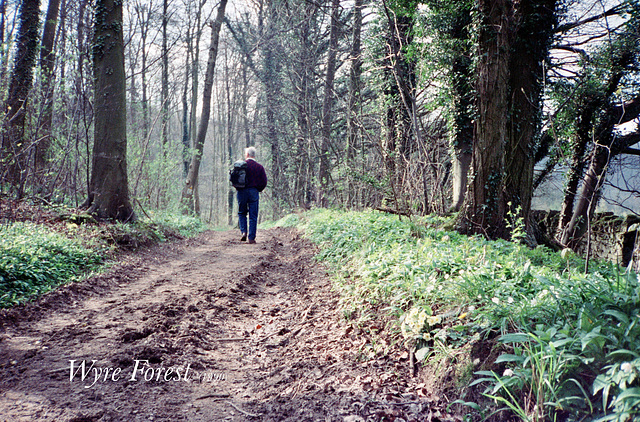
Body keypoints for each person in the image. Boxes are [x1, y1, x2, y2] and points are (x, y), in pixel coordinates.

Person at [237, 146, 267, 244]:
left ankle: (244, 232)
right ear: (254, 155)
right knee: (253, 215)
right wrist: (258, 189)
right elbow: (264, 181)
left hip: (242, 192)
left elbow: (234, 179)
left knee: (242, 213)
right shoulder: (259, 167)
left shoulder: (241, 166)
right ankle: (251, 237)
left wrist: (238, 188)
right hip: (254, 192)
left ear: (247, 155)